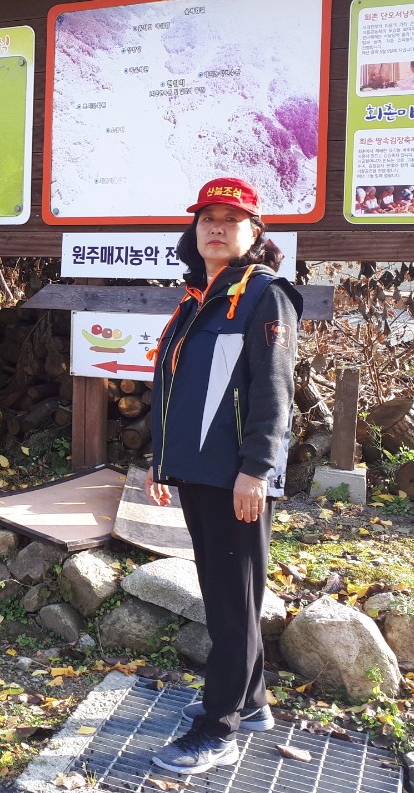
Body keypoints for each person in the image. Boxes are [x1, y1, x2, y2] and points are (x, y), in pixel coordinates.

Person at [145, 178, 302, 776]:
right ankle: (251, 702)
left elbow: (273, 392)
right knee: (223, 593)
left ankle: (219, 728)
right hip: (198, 472)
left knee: (234, 602)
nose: (216, 226)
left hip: (237, 477)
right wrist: (162, 461)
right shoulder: (197, 298)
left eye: (231, 219)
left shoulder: (265, 296)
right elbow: (175, 391)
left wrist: (256, 471)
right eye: (207, 217)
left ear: (253, 233)